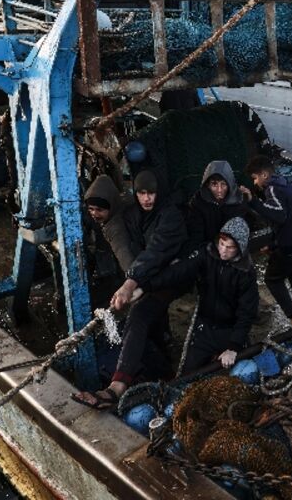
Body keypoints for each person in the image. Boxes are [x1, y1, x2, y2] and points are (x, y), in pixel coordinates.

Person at [73, 169, 187, 410]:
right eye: (141, 193)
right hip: (150, 278)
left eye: (151, 193)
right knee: (148, 319)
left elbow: (155, 251)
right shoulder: (132, 215)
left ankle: (117, 387)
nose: (146, 198)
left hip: (175, 274)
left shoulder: (170, 216)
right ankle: (163, 370)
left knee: (138, 316)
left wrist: (131, 283)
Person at [141, 217, 259, 375]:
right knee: (187, 374)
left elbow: (247, 312)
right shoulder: (207, 253)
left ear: (240, 249)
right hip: (205, 327)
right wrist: (145, 286)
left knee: (243, 374)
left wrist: (234, 346)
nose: (223, 250)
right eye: (221, 244)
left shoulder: (246, 273)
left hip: (230, 330)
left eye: (230, 247)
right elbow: (179, 271)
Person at [240, 155, 292, 326]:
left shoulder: (272, 189)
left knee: (272, 279)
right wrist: (273, 244)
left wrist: (252, 201)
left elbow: (279, 215)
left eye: (255, 178)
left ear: (263, 174)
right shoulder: (291, 187)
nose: (255, 183)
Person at [83, 174, 136, 303]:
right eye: (91, 209)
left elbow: (124, 254)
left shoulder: (115, 227)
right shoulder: (121, 201)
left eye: (99, 210)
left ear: (111, 206)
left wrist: (132, 282)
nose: (94, 214)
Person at [184, 160, 247, 247]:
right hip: (206, 249)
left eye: (224, 184)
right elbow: (196, 234)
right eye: (214, 184)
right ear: (207, 185)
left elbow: (236, 235)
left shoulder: (238, 201)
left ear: (230, 184)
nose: (219, 190)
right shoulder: (198, 202)